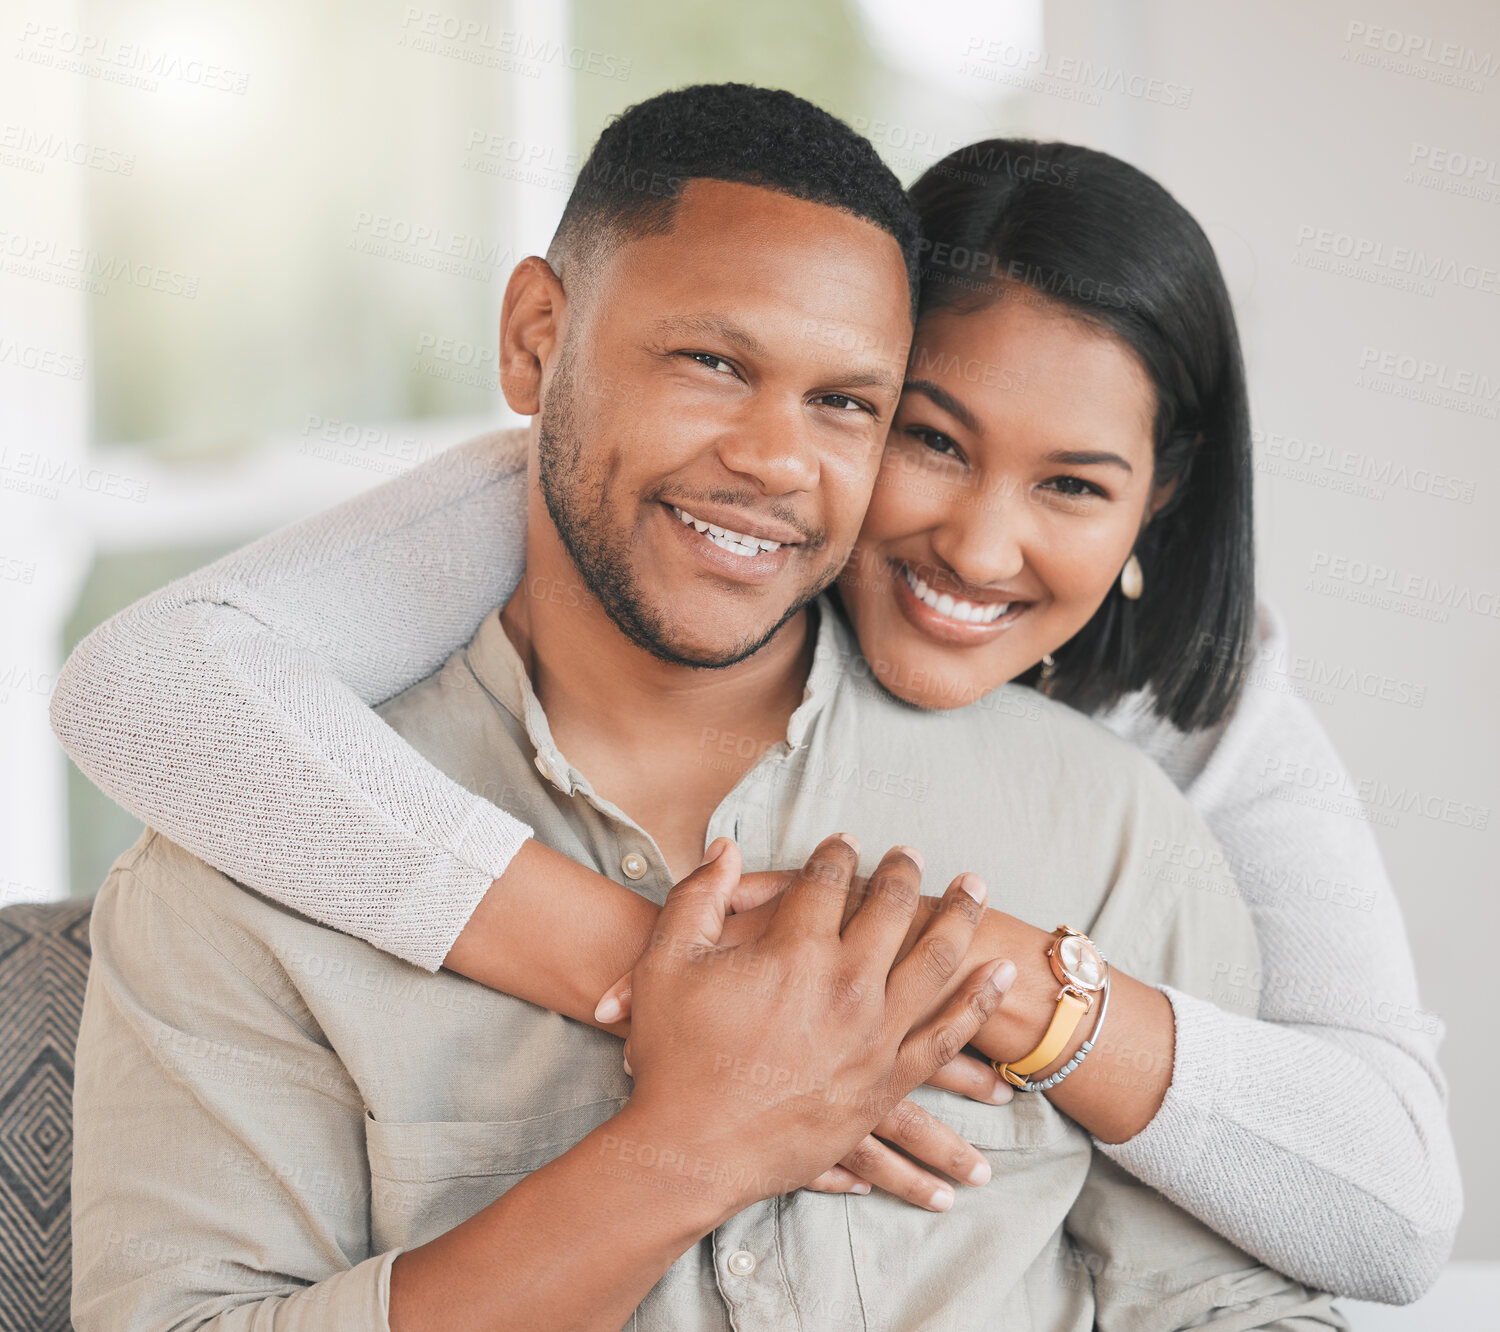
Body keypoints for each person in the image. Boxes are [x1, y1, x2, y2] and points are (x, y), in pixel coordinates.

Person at [55, 87, 1456, 1307]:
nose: (975, 544)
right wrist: (670, 988)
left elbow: (1382, 1211)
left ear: (1161, 505)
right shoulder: (591, 514)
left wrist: (1013, 987)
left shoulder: (1162, 768)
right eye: (927, 437)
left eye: (1074, 484)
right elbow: (152, 680)